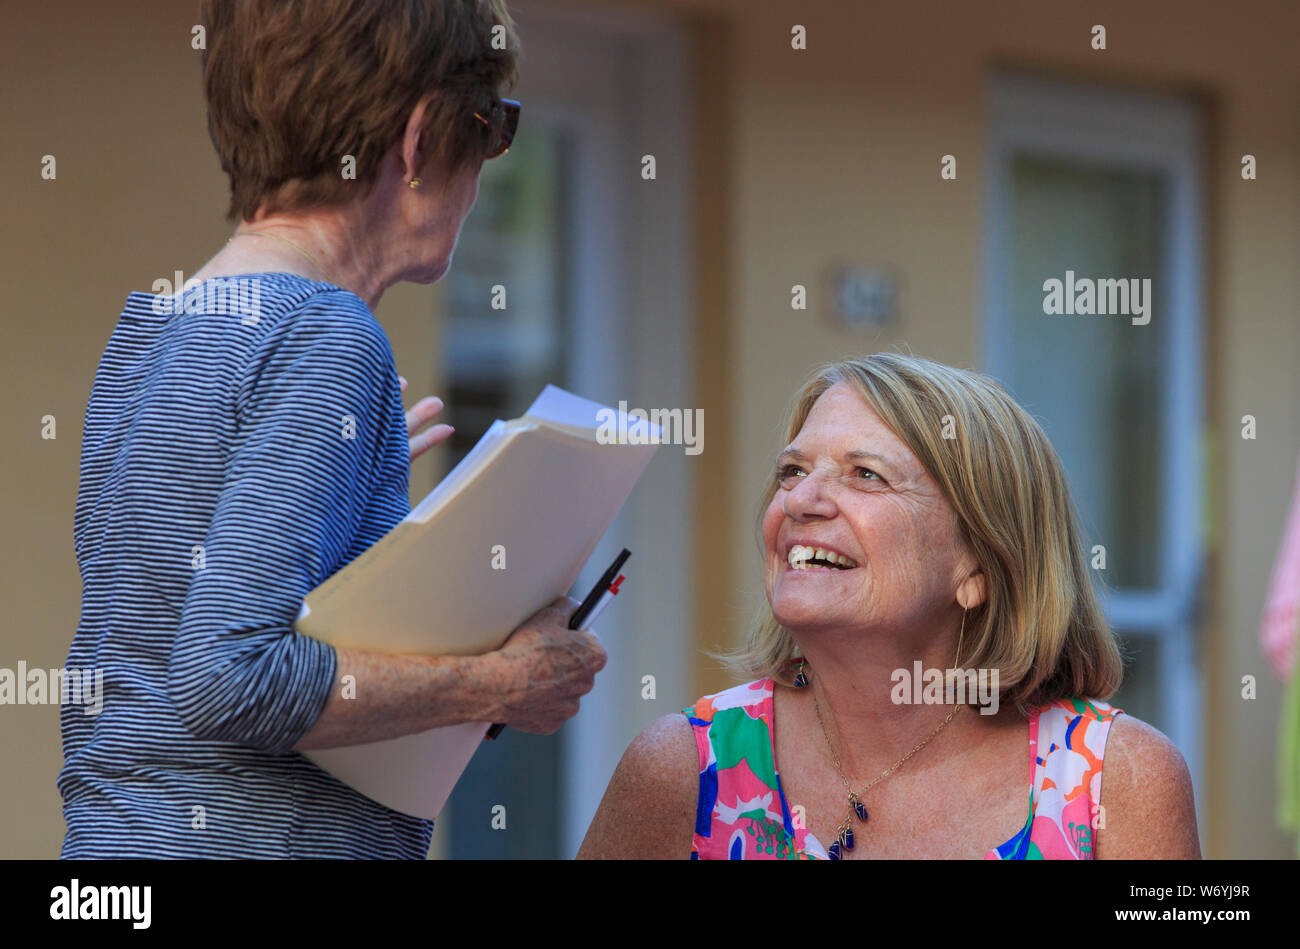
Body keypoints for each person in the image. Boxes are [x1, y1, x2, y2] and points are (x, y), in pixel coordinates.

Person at [60, 0, 606, 859]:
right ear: (422, 136)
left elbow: (161, 632)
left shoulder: (157, 328)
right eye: (492, 129)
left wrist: (355, 512)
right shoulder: (325, 334)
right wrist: (503, 682)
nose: (486, 167)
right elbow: (227, 679)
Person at [579, 353, 1200, 859]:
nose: (800, 501)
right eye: (792, 471)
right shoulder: (684, 769)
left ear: (978, 566)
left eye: (865, 475)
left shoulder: (1114, 781)